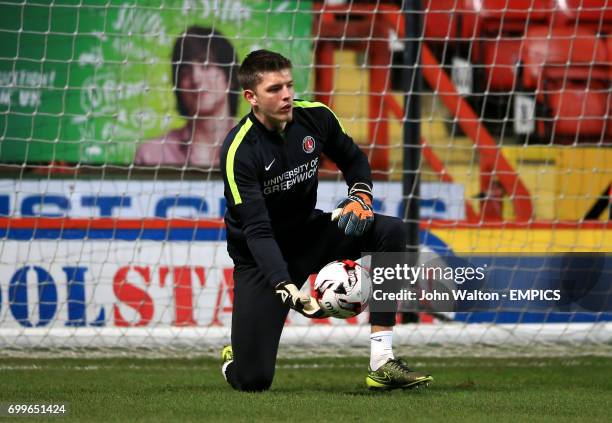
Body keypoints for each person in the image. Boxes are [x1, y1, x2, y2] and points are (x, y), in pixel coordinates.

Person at [219, 50, 433, 391]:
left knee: (391, 230)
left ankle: (382, 361)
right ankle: (239, 354)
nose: (286, 94)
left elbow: (353, 159)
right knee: (253, 380)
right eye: (274, 89)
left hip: (311, 233)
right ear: (251, 97)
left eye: (289, 85)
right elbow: (257, 231)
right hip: (261, 259)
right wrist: (285, 284)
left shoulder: (315, 117)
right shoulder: (239, 152)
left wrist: (360, 195)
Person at [135, 26, 239, 168]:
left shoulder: (263, 148)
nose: (195, 78)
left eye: (206, 66)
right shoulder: (152, 154)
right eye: (185, 71)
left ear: (229, 78)